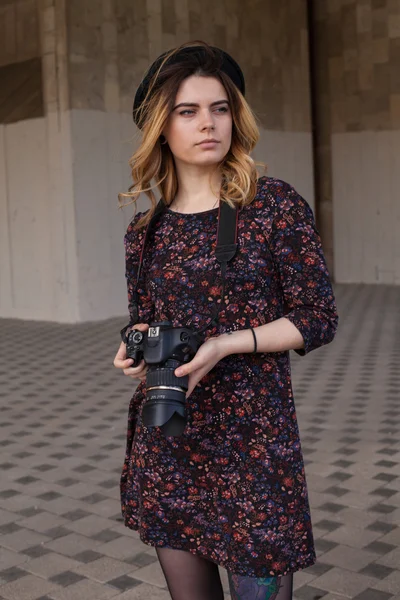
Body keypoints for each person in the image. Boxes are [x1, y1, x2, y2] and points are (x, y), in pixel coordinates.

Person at [113, 40, 338, 600]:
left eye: (219, 108)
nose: (208, 124)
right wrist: (135, 344)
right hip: (172, 441)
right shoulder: (145, 232)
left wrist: (225, 345)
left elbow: (317, 317)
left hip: (254, 446)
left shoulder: (274, 206)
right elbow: (146, 318)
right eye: (187, 111)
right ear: (160, 127)